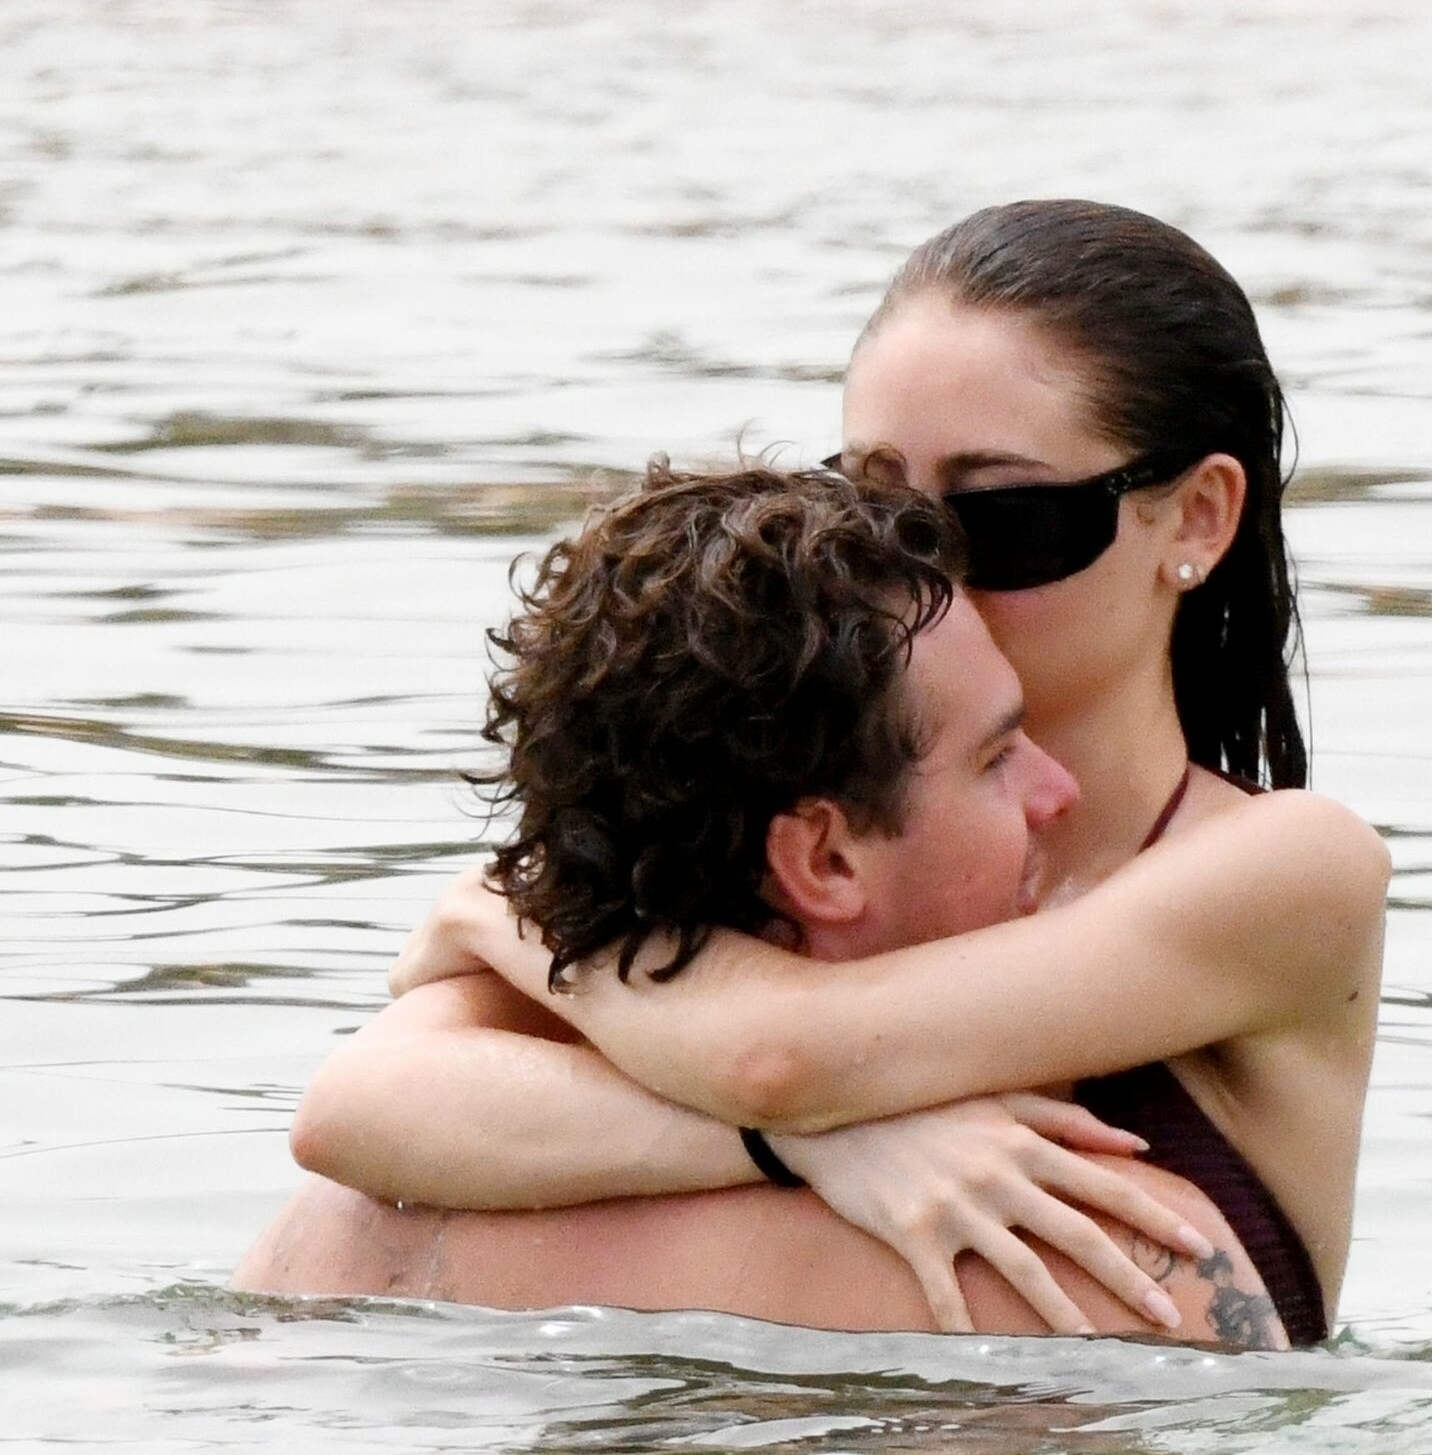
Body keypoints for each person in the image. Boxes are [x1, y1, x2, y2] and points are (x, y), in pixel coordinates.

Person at [284, 198, 1390, 1341]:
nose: (922, 565)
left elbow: (780, 1054)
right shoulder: (778, 823)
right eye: (877, 503)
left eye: (999, 515)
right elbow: (360, 1105)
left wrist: (512, 923)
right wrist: (815, 1145)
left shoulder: (1289, 871)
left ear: (1195, 519)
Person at [237, 463, 1287, 1347]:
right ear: (824, 860)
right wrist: (809, 1138)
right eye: (997, 756)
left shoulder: (335, 1232)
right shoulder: (1120, 1271)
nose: (1056, 792)